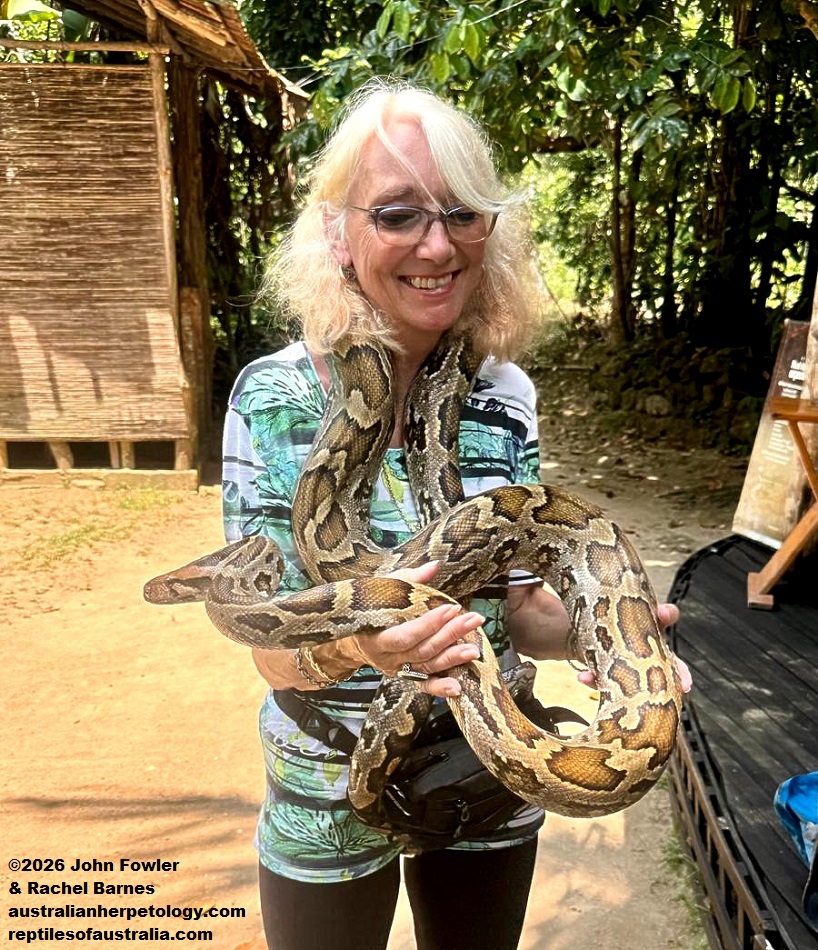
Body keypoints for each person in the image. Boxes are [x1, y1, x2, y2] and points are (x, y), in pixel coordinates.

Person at [221, 78, 690, 950]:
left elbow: (526, 612)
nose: (436, 243)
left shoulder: (505, 394)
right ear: (337, 231)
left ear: (489, 231)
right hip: (323, 786)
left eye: (463, 213)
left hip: (487, 768)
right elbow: (269, 654)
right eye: (397, 214)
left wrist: (621, 641)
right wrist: (364, 644)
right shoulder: (274, 399)